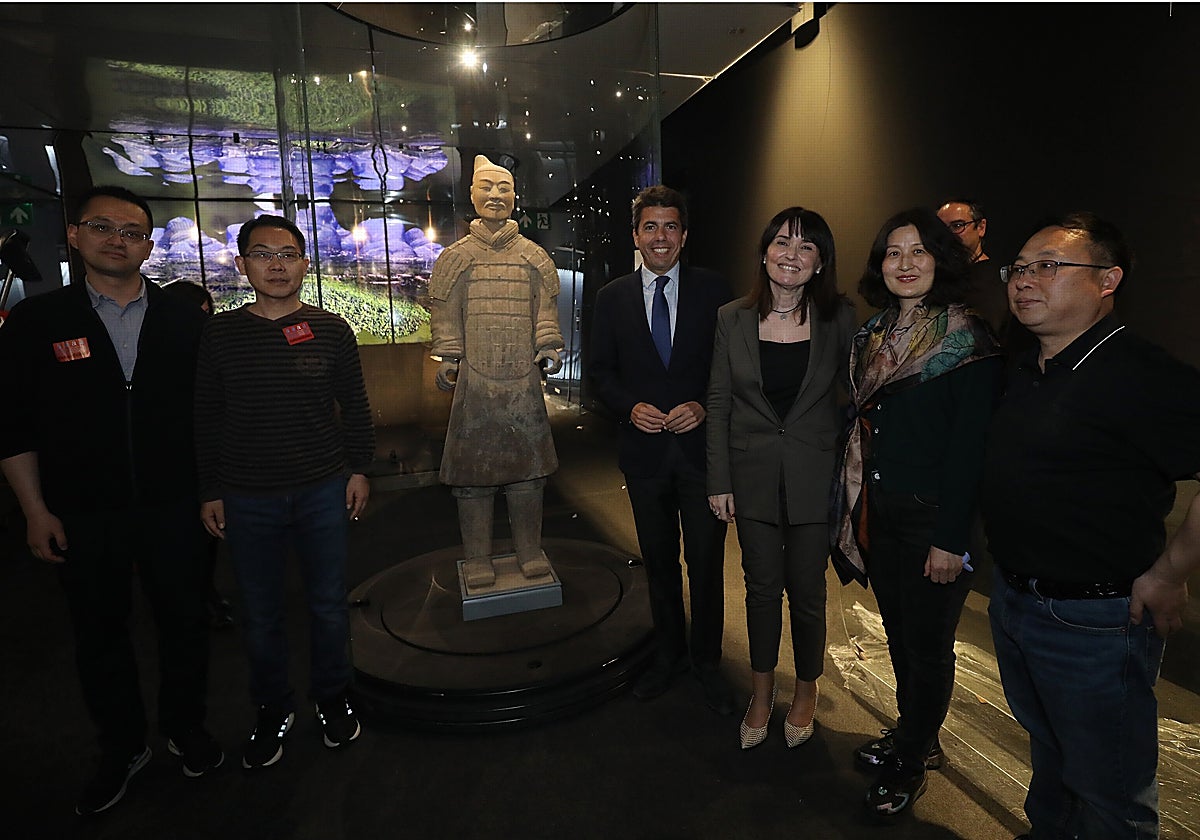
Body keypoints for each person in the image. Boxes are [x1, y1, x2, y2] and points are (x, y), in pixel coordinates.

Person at [0, 185, 222, 815]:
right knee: (98, 633)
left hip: (176, 506)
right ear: (76, 235)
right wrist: (35, 510)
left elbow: (212, 414)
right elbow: (13, 425)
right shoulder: (37, 322)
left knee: (185, 622)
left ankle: (186, 728)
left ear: (149, 247)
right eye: (102, 227)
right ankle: (122, 747)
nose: (117, 239)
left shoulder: (186, 320)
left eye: (131, 232)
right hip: (81, 511)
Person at [983, 211, 1200, 840]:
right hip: (1016, 601)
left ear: (1108, 280)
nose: (1025, 280)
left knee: (1111, 790)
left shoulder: (1140, 372)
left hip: (1095, 623)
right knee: (1052, 760)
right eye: (1018, 268)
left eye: (1048, 266)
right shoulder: (1027, 364)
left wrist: (1169, 573)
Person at [830, 207, 1000, 818]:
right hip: (879, 510)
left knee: (927, 645)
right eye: (893, 253)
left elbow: (970, 450)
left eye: (919, 252)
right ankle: (914, 735)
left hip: (935, 521)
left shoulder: (968, 336)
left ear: (941, 260)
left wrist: (951, 539)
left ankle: (913, 754)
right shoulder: (871, 334)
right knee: (900, 634)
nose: (905, 264)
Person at [194, 214, 374, 769]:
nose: (277, 264)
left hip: (323, 486)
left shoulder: (332, 329)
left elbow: (356, 406)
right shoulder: (221, 334)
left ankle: (332, 696)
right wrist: (210, 489)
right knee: (261, 610)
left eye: (288, 253)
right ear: (243, 262)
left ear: (304, 263)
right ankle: (272, 705)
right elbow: (206, 416)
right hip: (248, 495)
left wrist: (361, 469)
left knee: (327, 605)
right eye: (264, 253)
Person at [705, 207, 856, 749]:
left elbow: (857, 397)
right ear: (764, 251)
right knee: (761, 589)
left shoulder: (840, 319)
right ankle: (762, 692)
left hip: (816, 476)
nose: (792, 255)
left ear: (820, 262)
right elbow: (719, 400)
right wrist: (718, 479)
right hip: (750, 478)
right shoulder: (732, 318)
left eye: (806, 247)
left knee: (808, 592)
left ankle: (808, 691)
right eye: (782, 243)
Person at [589, 185, 735, 714]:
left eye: (670, 226)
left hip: (702, 456)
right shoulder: (612, 297)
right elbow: (600, 374)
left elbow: (731, 367)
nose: (660, 237)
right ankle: (668, 656)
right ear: (635, 236)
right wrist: (629, 408)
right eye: (650, 227)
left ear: (684, 235)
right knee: (659, 564)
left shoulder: (716, 291)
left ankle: (710, 665)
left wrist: (700, 403)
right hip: (645, 457)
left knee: (707, 565)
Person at [429, 155, 563, 588]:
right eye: (486, 187)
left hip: (522, 378)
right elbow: (445, 313)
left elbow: (545, 309)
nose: (495, 195)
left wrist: (548, 345)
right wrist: (449, 355)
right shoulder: (456, 257)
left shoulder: (533, 257)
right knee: (473, 478)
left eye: (503, 188)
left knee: (528, 474)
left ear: (515, 196)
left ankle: (528, 550)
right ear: (471, 195)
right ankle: (478, 557)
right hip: (476, 379)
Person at [160, 280, 234, 630]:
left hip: (206, 464)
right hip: (171, 464)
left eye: (207, 315)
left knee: (206, 541)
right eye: (197, 316)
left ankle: (205, 595)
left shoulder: (211, 354)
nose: (203, 324)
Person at [937, 198, 1008, 338]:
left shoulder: (1000, 278)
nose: (948, 235)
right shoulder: (935, 277)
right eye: (940, 229)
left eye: (957, 226)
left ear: (981, 227)